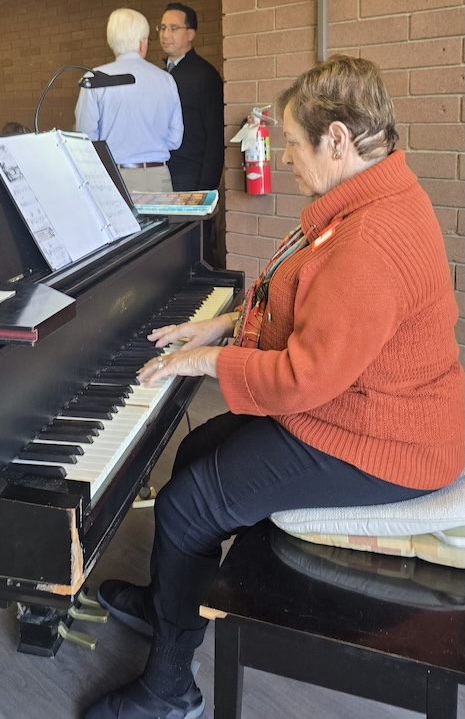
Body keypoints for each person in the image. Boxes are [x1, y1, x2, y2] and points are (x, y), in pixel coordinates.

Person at [83, 54, 464, 719]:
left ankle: (169, 689)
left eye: (292, 141)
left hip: (386, 440)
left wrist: (207, 362)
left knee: (184, 507)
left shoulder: (369, 237)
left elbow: (302, 377)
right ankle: (167, 604)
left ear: (338, 139)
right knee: (200, 454)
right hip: (357, 408)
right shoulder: (372, 198)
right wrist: (225, 326)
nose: (285, 156)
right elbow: (307, 312)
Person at [75, 8, 183, 195]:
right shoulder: (166, 80)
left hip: (113, 178)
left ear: (112, 42)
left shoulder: (94, 79)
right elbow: (175, 140)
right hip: (158, 177)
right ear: (142, 43)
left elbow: (85, 139)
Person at [157, 3, 224, 192]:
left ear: (190, 34)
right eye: (162, 28)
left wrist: (207, 186)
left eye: (174, 28)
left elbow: (215, 134)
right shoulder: (160, 77)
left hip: (192, 177)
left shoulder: (205, 75)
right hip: (162, 174)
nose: (166, 34)